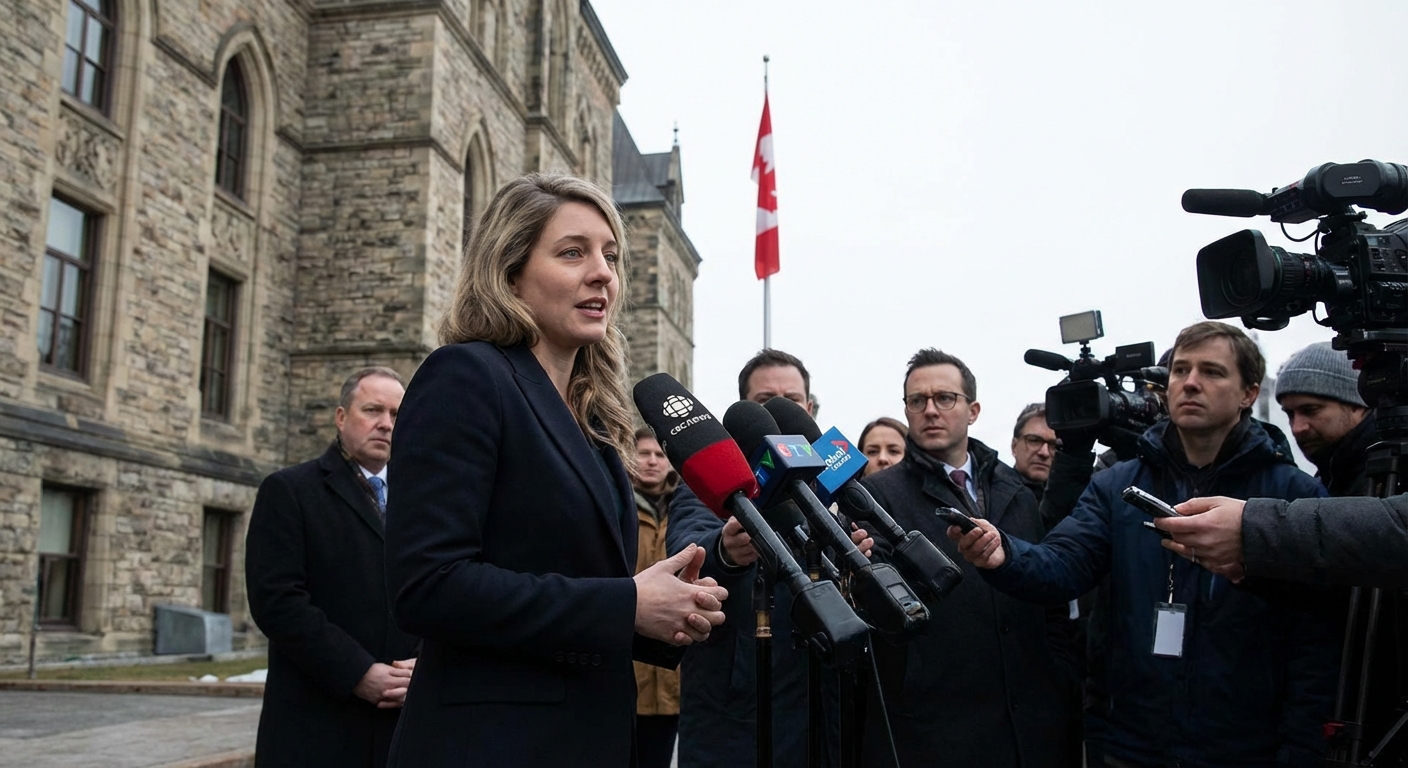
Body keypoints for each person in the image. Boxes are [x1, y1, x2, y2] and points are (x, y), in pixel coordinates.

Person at [382, 173, 727, 767]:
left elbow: (571, 580)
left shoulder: (592, 417)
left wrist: (667, 609)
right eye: (573, 252)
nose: (603, 273)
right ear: (510, 270)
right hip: (491, 746)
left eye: (611, 256)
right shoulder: (466, 377)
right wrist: (627, 604)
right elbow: (428, 586)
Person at [952, 321, 1341, 768]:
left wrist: (1302, 748)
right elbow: (1062, 565)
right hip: (1130, 742)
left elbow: (1316, 642)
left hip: (1248, 746)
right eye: (1180, 371)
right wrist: (1004, 554)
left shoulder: (1295, 496)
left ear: (1249, 393)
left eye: (1211, 372)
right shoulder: (1115, 485)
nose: (1190, 383)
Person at [859, 348, 1073, 768]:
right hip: (935, 722)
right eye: (917, 401)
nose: (930, 410)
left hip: (1028, 721)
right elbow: (879, 613)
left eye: (945, 398)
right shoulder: (877, 496)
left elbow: (1050, 599)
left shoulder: (1014, 487)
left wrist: (1059, 673)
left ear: (973, 410)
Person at [667, 348, 870, 768]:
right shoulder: (711, 482)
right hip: (740, 707)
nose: (777, 415)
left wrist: (858, 557)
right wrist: (726, 550)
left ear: (809, 408)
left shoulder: (831, 478)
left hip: (822, 694)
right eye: (763, 403)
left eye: (790, 401)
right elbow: (685, 551)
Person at [245, 366, 420, 768]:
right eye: (373, 410)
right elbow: (278, 603)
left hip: (405, 725)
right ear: (342, 418)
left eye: (396, 414)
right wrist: (358, 673)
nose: (385, 425)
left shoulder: (424, 499)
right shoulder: (290, 491)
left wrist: (426, 665)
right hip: (319, 723)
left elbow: (446, 589)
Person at [633, 428, 682, 768]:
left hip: (672, 674)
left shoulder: (683, 508)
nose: (652, 461)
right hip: (627, 666)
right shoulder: (614, 502)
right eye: (644, 453)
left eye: (660, 455)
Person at [1275, 341, 1373, 496]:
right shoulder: (1330, 477)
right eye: (1290, 414)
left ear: (1357, 405)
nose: (1297, 428)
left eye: (1310, 410)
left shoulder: (1392, 475)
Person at [1011, 402, 1058, 503]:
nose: (1044, 453)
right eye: (1034, 441)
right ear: (1014, 446)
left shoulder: (1076, 501)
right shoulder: (987, 494)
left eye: (1054, 445)